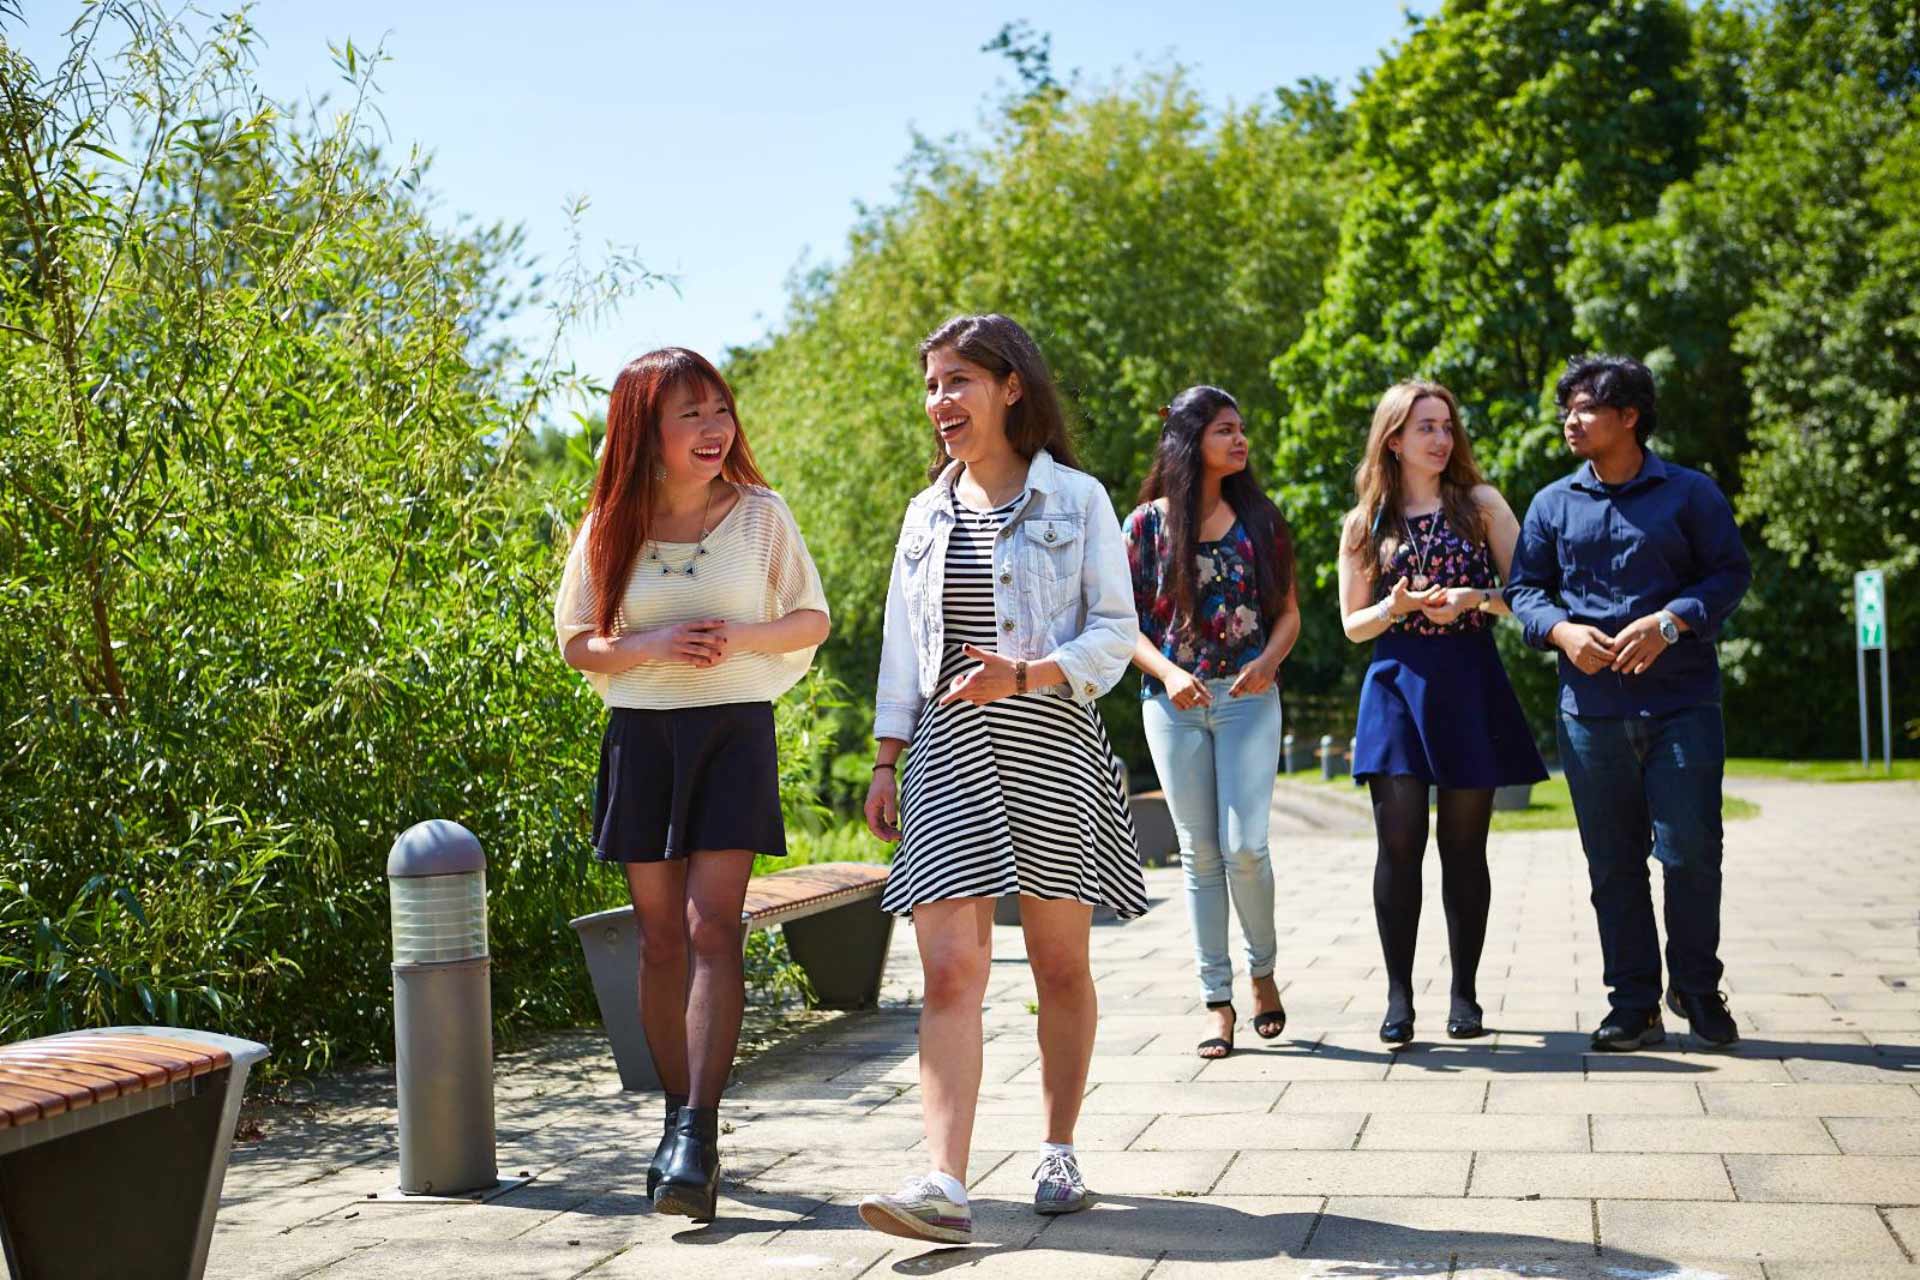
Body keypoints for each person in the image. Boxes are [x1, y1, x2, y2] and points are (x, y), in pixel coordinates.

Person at [858, 314, 1144, 1243]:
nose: (940, 402)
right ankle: (943, 1181)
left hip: (1054, 742)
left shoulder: (1079, 499)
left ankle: (1058, 1150)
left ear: (1010, 386)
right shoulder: (923, 513)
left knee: (1060, 965)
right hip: (946, 753)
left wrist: (1025, 673)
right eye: (932, 385)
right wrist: (887, 756)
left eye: (958, 382)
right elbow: (905, 648)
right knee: (951, 970)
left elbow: (1114, 631)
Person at [553, 347, 830, 1221]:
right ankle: (678, 1120)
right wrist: (652, 648)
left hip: (733, 736)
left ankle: (698, 1133)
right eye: (691, 415)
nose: (715, 430)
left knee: (717, 927)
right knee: (660, 939)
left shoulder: (760, 515)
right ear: (647, 429)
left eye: (721, 410)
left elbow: (812, 617)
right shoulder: (608, 525)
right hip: (643, 738)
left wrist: (740, 639)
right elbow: (576, 640)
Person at [1507, 354, 1751, 1053]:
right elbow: (1526, 590)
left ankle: (1698, 989)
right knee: (1613, 864)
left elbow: (1731, 572)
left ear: (1629, 416)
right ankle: (1635, 1003)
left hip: (1682, 704)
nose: (1570, 420)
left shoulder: (1691, 493)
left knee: (1691, 854)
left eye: (1585, 408)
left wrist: (1672, 621)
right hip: (1590, 711)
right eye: (1568, 409)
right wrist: (1560, 630)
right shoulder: (1553, 504)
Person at [1337, 380, 1547, 1046]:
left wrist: (1475, 597)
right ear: (1393, 438)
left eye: (1447, 426)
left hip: (1468, 681)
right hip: (1396, 685)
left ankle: (1465, 995)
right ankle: (1399, 997)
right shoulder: (1365, 521)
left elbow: (1529, 596)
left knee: (1464, 848)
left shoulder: (1480, 504)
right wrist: (1394, 608)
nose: (1441, 438)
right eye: (1426, 427)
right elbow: (1352, 624)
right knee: (1398, 842)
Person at [1122, 385, 1300, 1059]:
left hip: (1251, 698)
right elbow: (1123, 626)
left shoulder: (1262, 520)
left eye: (1241, 427)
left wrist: (1268, 664)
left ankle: (1263, 972)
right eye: (1226, 428)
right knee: (1198, 853)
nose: (1241, 438)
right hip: (1172, 705)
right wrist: (1168, 674)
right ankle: (1217, 1001)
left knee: (1245, 844)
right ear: (1190, 439)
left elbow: (1288, 615)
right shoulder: (1142, 527)